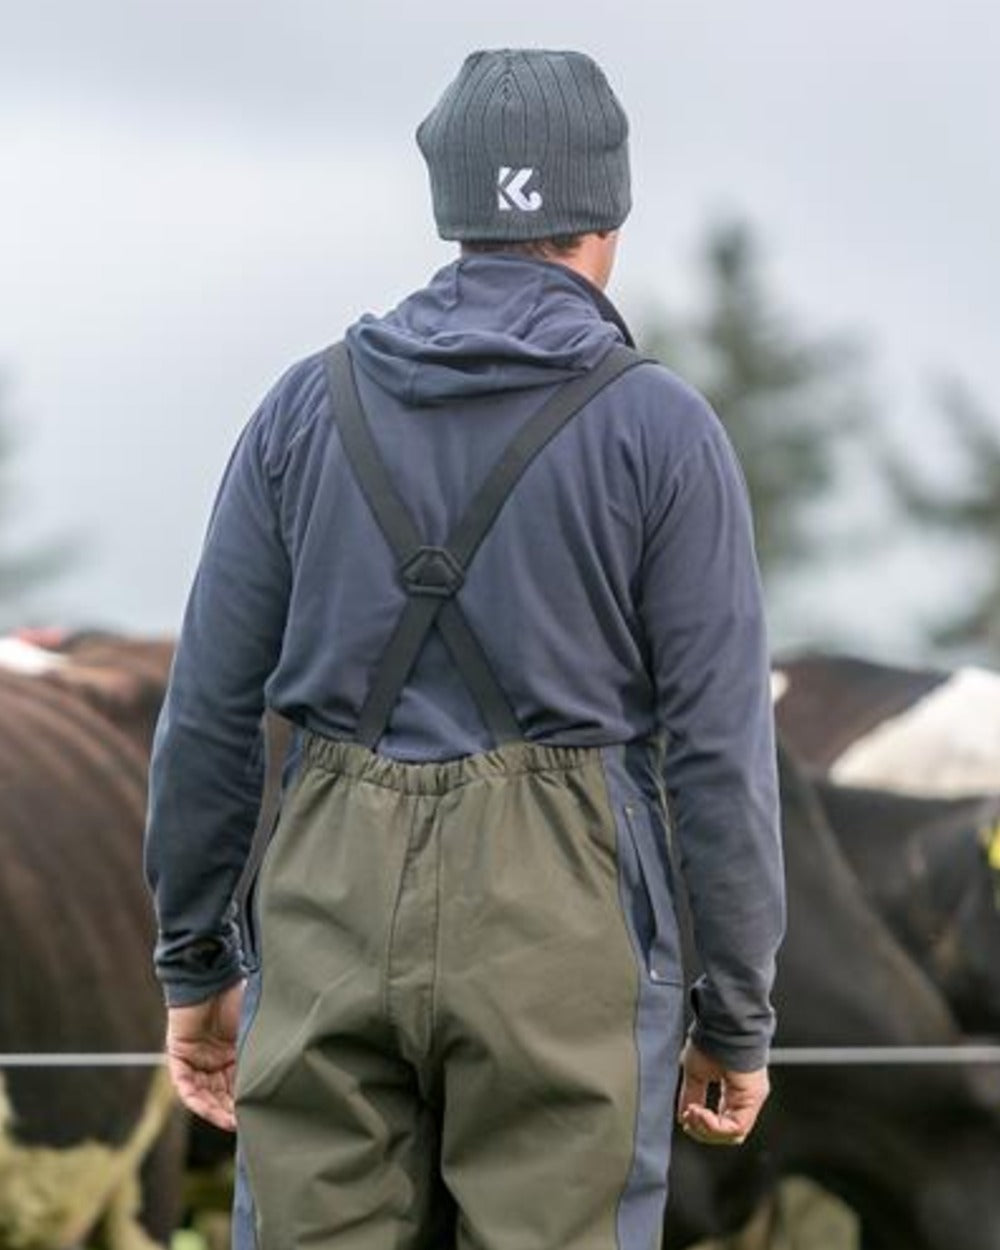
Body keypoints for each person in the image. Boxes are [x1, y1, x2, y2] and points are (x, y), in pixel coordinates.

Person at [144, 47, 785, 1250]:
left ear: (453, 207)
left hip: (328, 892)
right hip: (569, 918)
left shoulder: (304, 406)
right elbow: (718, 755)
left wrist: (194, 964)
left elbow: (211, 712)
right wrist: (735, 1015)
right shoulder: (661, 429)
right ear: (610, 209)